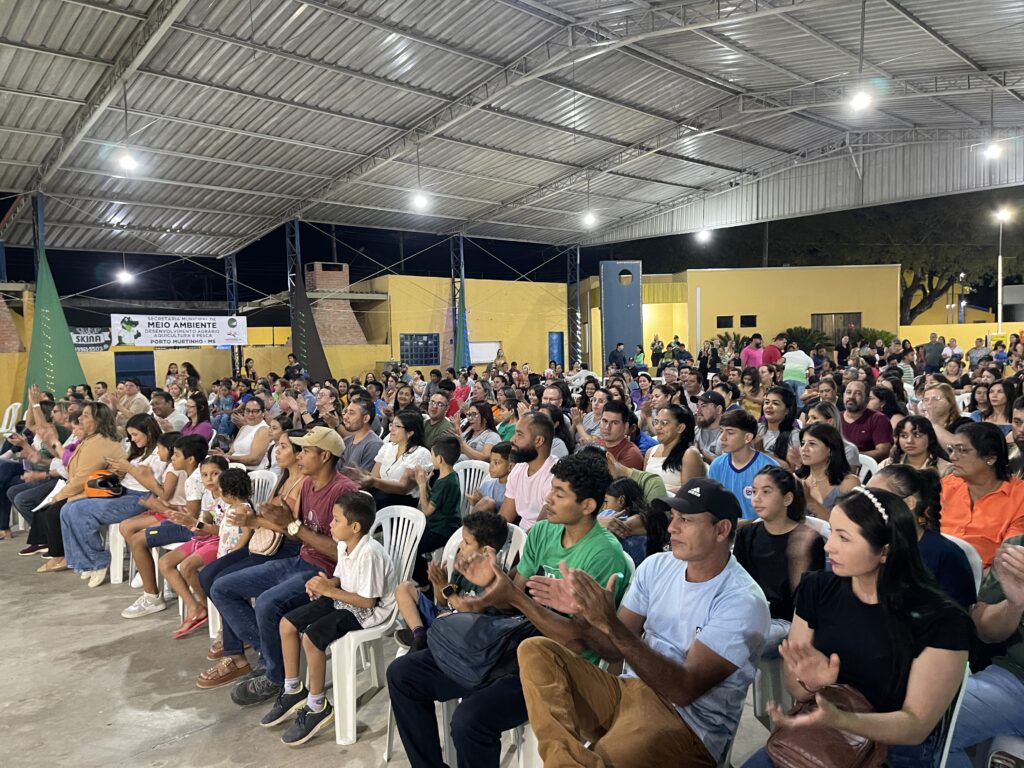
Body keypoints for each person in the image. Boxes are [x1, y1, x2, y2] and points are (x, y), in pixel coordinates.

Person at [387, 451, 631, 768]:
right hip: (513, 642)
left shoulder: (603, 554)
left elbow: (578, 641)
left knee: (469, 721)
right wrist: (488, 586)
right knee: (403, 674)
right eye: (551, 488)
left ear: (587, 506)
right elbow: (510, 600)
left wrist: (515, 598)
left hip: (558, 666)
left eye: (559, 493)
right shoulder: (543, 532)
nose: (548, 498)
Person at [520, 477, 769, 766]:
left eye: (685, 520)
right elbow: (611, 650)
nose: (672, 527)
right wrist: (585, 616)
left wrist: (610, 623)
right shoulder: (657, 566)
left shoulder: (742, 600)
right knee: (537, 650)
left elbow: (683, 690)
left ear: (721, 529)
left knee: (607, 757)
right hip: (628, 692)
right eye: (673, 517)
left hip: (685, 724)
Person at [741, 486, 973, 768]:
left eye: (844, 538)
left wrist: (843, 720)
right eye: (832, 532)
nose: (828, 547)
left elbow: (915, 726)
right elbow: (797, 688)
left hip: (892, 749)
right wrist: (811, 684)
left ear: (885, 551)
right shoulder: (817, 588)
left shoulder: (941, 619)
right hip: (819, 738)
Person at [211, 427, 356, 704]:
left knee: (267, 602)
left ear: (324, 456)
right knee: (223, 587)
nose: (299, 456)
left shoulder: (343, 492)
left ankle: (277, 677)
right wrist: (263, 520)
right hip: (301, 559)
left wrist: (291, 525)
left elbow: (342, 552)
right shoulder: (308, 485)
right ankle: (270, 654)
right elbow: (294, 530)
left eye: (306, 451)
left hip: (326, 572)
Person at [259, 491, 394, 745]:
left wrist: (330, 590)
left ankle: (318, 704)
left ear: (355, 527)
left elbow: (368, 601)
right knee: (287, 623)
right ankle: (292, 689)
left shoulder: (370, 553)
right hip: (344, 598)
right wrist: (323, 583)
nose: (330, 525)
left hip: (369, 613)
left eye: (335, 520)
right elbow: (340, 579)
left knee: (311, 638)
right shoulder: (344, 545)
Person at [197, 431, 306, 684]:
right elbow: (268, 516)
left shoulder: (303, 485)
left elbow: (294, 529)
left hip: (284, 549)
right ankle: (242, 640)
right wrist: (259, 520)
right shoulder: (283, 478)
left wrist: (258, 520)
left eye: (282, 447)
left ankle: (241, 654)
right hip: (265, 541)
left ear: (300, 452)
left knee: (222, 583)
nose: (276, 451)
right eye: (277, 446)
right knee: (208, 575)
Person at [59, 413, 166, 587]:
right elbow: (129, 473)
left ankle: (98, 561)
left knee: (80, 510)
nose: (132, 439)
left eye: (135, 435)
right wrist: (120, 469)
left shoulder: (158, 453)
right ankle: (84, 561)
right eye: (130, 435)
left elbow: (156, 487)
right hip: (123, 491)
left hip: (140, 497)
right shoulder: (139, 451)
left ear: (148, 431)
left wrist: (129, 468)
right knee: (68, 508)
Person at [945, 537, 1024, 765]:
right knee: (929, 720)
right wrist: (1014, 605)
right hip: (1012, 678)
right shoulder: (1017, 549)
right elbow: (985, 631)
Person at [736, 466, 825, 654]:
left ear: (787, 498)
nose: (756, 498)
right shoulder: (747, 534)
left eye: (766, 492)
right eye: (753, 491)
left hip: (784, 620)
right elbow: (738, 582)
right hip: (749, 614)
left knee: (739, 641)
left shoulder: (807, 539)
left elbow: (806, 601)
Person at [28, 402, 126, 573]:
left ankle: (79, 558)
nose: (80, 419)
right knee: (49, 510)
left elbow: (83, 477)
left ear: (98, 420)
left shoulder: (100, 442)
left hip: (99, 490)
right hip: (83, 487)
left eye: (85, 415)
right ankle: (64, 556)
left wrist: (60, 496)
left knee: (56, 510)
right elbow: (72, 467)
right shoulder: (89, 440)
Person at [393, 510, 510, 652]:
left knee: (445, 617)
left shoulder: (493, 578)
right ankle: (420, 636)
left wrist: (446, 588)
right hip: (445, 620)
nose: (461, 545)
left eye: (467, 542)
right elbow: (442, 601)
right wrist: (438, 583)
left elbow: (468, 610)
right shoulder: (463, 565)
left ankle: (426, 638)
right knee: (403, 588)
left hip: (467, 633)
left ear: (485, 551)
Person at [120, 434, 209, 617]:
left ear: (190, 459)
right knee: (137, 534)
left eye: (176, 455)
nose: (172, 458)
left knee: (137, 540)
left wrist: (161, 507)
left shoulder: (195, 479)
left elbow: (190, 520)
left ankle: (152, 597)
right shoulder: (195, 474)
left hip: (196, 531)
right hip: (193, 525)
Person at [159, 459, 246, 639]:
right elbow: (205, 525)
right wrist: (189, 523)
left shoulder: (231, 498)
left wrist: (196, 523)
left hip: (220, 541)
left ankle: (212, 607)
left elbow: (222, 531)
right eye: (204, 475)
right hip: (207, 538)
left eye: (215, 474)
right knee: (165, 562)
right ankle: (196, 607)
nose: (209, 479)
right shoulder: (207, 497)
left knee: (187, 566)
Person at [868, 465, 976, 608]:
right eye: (866, 496)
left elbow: (955, 617)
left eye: (877, 499)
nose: (866, 505)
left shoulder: (945, 554)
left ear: (909, 503)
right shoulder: (867, 543)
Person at [941, 422, 1024, 568]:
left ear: (990, 458)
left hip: (987, 581)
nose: (953, 457)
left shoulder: (1019, 497)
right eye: (951, 450)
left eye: (962, 450)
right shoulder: (946, 486)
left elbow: (1010, 560)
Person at [344, 411, 434, 509]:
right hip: (380, 496)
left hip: (401, 503)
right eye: (392, 425)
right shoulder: (387, 447)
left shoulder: (420, 453)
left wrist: (373, 481)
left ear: (410, 433)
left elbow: (403, 487)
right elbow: (374, 476)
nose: (392, 429)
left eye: (397, 426)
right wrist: (361, 476)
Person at [708, 409, 778, 521]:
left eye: (730, 432)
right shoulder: (717, 465)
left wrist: (746, 525)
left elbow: (775, 511)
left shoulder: (769, 468)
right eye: (721, 431)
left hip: (758, 530)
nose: (722, 437)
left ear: (747, 438)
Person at [411, 434, 462, 585]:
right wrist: (426, 484)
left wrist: (421, 485)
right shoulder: (450, 476)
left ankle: (425, 585)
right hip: (439, 525)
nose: (431, 459)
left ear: (439, 459)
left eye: (432, 455)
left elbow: (426, 510)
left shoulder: (445, 483)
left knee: (412, 548)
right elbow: (434, 500)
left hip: (442, 530)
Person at [499, 411, 557, 531]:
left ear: (539, 441)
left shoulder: (555, 476)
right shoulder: (519, 469)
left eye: (519, 434)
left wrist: (518, 548)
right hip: (520, 536)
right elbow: (504, 518)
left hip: (540, 542)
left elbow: (540, 530)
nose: (512, 439)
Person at [796, 422, 860, 521]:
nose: (804, 449)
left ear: (830, 450)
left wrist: (810, 501)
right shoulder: (799, 479)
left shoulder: (848, 483)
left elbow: (848, 526)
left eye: (812, 444)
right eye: (803, 443)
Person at [644, 404, 703, 494]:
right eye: (656, 422)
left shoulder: (689, 454)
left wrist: (658, 488)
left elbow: (693, 492)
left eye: (664, 423)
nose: (657, 427)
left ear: (680, 428)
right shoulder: (650, 452)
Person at [840, 379, 893, 461]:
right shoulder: (835, 417)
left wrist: (851, 456)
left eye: (858, 394)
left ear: (867, 400)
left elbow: (883, 452)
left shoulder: (878, 419)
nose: (851, 396)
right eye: (848, 392)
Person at [882, 415, 952, 475]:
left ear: (930, 438)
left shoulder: (946, 470)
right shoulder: (887, 465)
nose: (909, 441)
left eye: (917, 435)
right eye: (904, 436)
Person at [214, 397, 270, 469]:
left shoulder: (263, 430)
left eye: (255, 411)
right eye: (247, 410)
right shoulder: (244, 428)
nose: (250, 414)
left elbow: (254, 460)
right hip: (233, 467)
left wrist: (226, 457)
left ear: (263, 413)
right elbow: (231, 452)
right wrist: (222, 455)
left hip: (249, 471)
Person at [756, 385, 800, 471]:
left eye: (775, 403)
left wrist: (762, 452)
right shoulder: (756, 429)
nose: (769, 406)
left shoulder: (794, 436)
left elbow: (791, 470)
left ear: (787, 410)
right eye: (766, 402)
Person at [465, 441, 513, 514]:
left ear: (510, 466)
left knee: (488, 502)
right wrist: (475, 503)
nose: (491, 465)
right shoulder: (486, 486)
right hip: (481, 523)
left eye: (496, 462)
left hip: (498, 524)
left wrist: (485, 504)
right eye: (490, 461)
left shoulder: (514, 489)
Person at [339, 399, 383, 472]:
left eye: (351, 413)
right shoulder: (347, 441)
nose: (345, 417)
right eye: (346, 412)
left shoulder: (374, 445)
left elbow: (362, 480)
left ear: (365, 418)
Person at [600, 399, 644, 470]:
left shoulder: (632, 454)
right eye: (605, 421)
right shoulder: (597, 444)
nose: (607, 427)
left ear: (625, 426)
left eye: (614, 423)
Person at [693, 391, 724, 463]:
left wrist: (700, 453)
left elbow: (727, 467)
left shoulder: (727, 435)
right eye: (698, 406)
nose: (698, 411)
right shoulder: (695, 431)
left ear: (718, 409)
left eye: (703, 406)